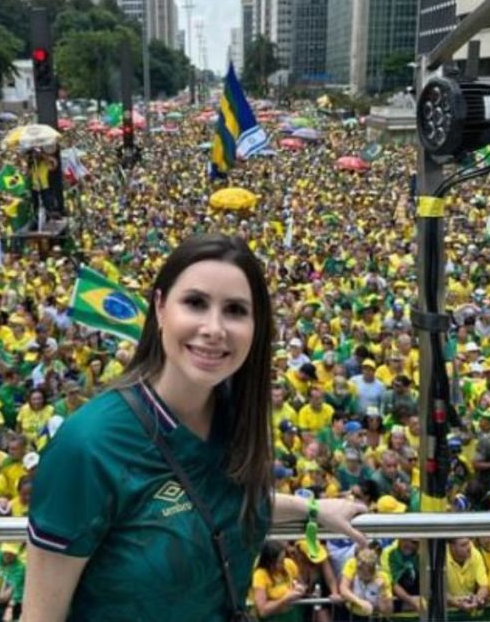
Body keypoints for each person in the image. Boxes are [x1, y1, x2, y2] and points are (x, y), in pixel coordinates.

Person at [23, 235, 367, 620]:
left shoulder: (233, 418)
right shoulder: (87, 445)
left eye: (235, 310)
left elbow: (214, 507)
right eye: (195, 303)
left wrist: (313, 509)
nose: (214, 328)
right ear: (159, 307)